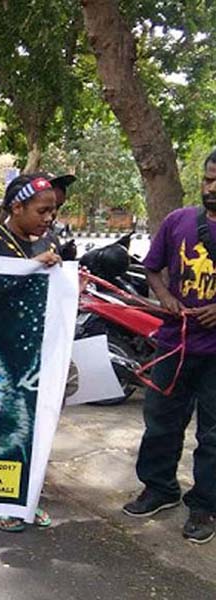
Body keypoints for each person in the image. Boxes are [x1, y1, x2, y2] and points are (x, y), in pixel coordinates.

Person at [121, 150, 216, 545]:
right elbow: (152, 267)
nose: (212, 188)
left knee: (213, 434)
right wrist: (164, 296)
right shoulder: (179, 221)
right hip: (174, 342)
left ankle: (205, 505)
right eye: (208, 180)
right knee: (160, 418)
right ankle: (159, 488)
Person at [0, 173, 62, 532]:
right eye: (42, 210)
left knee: (34, 429)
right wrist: (31, 269)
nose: (48, 218)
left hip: (34, 352)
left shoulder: (46, 241)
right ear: (16, 207)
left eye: (52, 211)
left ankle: (26, 499)